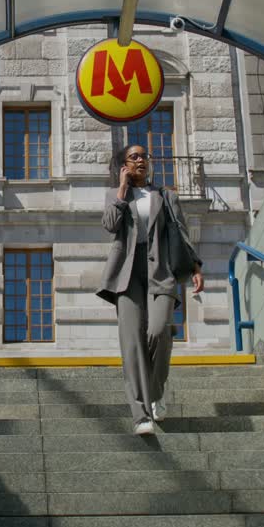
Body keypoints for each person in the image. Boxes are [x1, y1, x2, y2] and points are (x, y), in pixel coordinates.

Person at [96, 145, 204, 436]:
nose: (141, 160)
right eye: (134, 157)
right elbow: (110, 225)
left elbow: (181, 231)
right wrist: (121, 190)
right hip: (127, 274)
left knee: (159, 330)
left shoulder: (166, 196)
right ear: (123, 165)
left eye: (145, 156)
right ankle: (140, 415)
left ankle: (156, 392)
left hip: (161, 271)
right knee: (132, 344)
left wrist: (195, 266)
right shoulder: (115, 195)